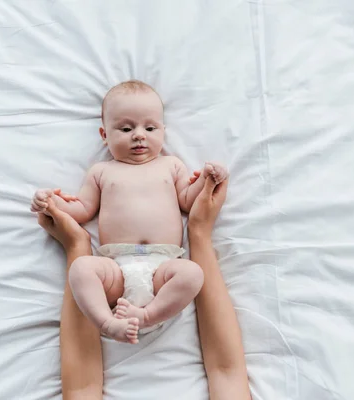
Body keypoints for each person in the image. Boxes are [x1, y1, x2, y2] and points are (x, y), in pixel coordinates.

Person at [31, 80, 228, 343]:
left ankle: (148, 315)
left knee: (192, 274)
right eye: (125, 128)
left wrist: (208, 179)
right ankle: (107, 322)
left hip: (162, 269)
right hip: (116, 269)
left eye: (150, 127)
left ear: (163, 131)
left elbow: (187, 201)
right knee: (81, 269)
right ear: (104, 135)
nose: (138, 135)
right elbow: (82, 209)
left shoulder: (171, 165)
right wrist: (51, 204)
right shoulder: (102, 171)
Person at [38, 176, 251, 399]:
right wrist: (199, 232)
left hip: (129, 286)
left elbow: (81, 388)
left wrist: (77, 245)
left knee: (84, 271)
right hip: (141, 277)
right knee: (189, 274)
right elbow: (227, 372)